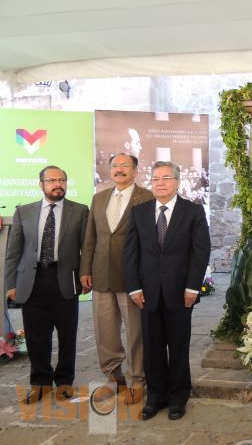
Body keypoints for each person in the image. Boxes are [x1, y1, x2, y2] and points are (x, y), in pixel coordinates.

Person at [124, 161, 210, 421]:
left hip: (181, 293)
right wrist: (134, 287)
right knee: (152, 348)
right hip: (147, 293)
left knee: (179, 346)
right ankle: (156, 396)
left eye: (165, 178)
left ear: (177, 181)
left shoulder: (193, 212)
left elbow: (200, 252)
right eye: (155, 179)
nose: (159, 183)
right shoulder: (139, 212)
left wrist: (193, 287)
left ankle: (178, 397)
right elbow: (130, 253)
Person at [4, 166, 88, 403]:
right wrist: (11, 283)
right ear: (41, 184)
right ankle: (40, 383)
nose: (58, 184)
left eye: (62, 179)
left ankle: (63, 382)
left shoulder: (80, 211)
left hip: (65, 279)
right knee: (35, 335)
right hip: (32, 280)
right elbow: (13, 252)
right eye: (52, 180)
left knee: (67, 334)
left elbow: (86, 249)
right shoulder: (24, 212)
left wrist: (85, 275)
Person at [80, 153, 154, 404]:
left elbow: (151, 241)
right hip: (100, 275)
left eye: (125, 165)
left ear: (135, 170)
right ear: (109, 171)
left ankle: (137, 381)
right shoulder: (99, 198)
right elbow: (90, 238)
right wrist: (85, 270)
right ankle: (113, 377)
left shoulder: (147, 197)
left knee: (136, 331)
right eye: (115, 166)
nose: (119, 169)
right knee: (105, 331)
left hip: (132, 278)